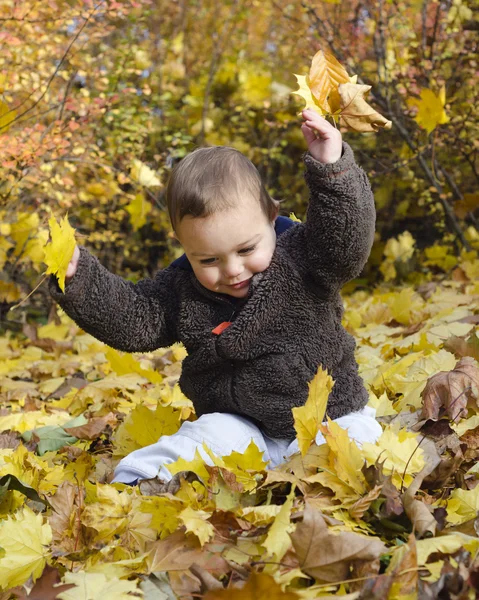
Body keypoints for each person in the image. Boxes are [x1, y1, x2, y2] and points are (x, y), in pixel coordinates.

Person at [50, 109, 382, 484]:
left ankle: (311, 481)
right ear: (185, 247)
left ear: (272, 217)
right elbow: (134, 319)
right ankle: (143, 482)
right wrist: (81, 281)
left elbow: (346, 244)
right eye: (209, 259)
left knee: (353, 446)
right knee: (201, 440)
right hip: (240, 426)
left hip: (329, 414)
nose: (232, 270)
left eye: (246, 250)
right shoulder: (182, 287)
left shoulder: (305, 255)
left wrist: (332, 172)